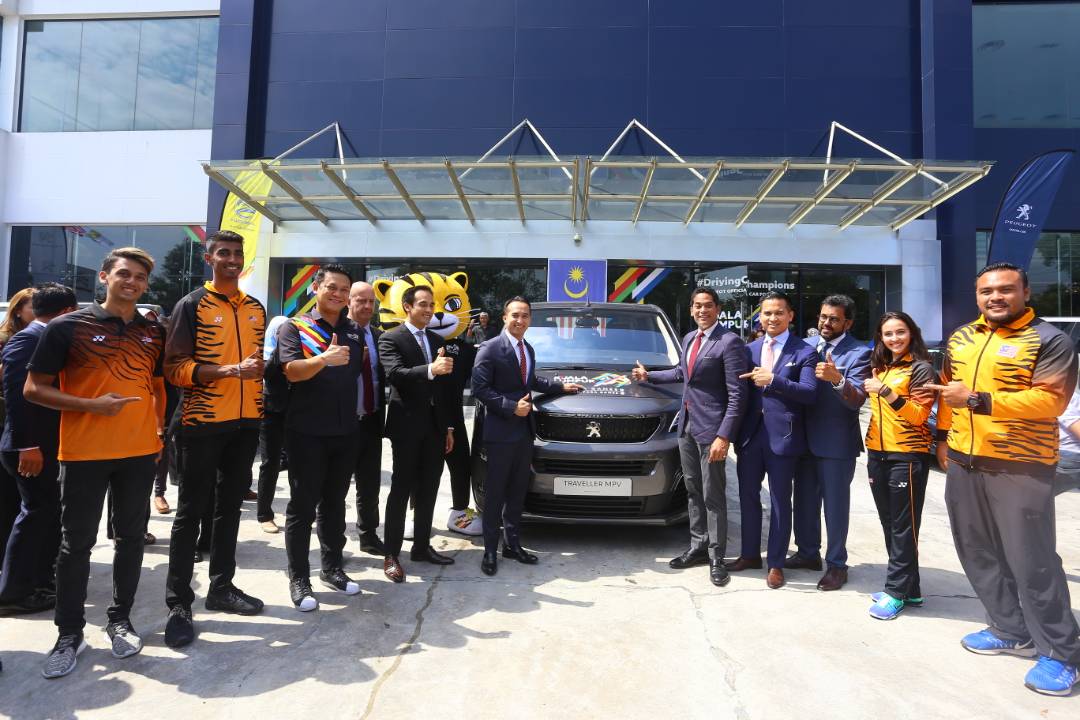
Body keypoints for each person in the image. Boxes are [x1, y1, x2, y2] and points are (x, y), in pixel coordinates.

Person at [927, 262, 1079, 696]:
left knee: (1032, 560)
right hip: (964, 461)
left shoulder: (1049, 340)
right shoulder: (962, 338)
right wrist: (944, 439)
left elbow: (1050, 401)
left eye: (1006, 289)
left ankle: (1062, 652)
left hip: (1021, 465)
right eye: (986, 291)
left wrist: (978, 400)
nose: (995, 297)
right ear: (977, 296)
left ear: (1025, 293)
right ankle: (1010, 628)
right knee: (977, 551)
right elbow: (947, 393)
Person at [24, 247, 166, 679]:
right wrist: (91, 405)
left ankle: (120, 620)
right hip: (84, 453)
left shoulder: (152, 331)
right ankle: (69, 634)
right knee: (76, 545)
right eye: (124, 273)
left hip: (138, 453)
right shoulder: (68, 327)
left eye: (140, 276)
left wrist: (157, 432)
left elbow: (157, 386)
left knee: (130, 540)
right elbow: (33, 389)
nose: (132, 282)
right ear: (104, 276)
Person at [162, 230, 267, 648]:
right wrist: (228, 371)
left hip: (246, 423)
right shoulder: (191, 305)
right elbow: (174, 368)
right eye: (224, 252)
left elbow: (257, 363)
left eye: (237, 253)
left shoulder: (255, 308)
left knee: (229, 510)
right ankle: (178, 603)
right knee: (190, 512)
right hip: (202, 422)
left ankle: (221, 587)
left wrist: (260, 375)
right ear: (209, 259)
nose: (232, 259)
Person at [632, 287, 747, 587]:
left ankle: (717, 557)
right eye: (697, 306)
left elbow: (738, 395)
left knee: (713, 495)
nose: (702, 310)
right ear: (691, 310)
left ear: (718, 309)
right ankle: (698, 546)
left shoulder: (729, 342)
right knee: (693, 490)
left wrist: (724, 436)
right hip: (686, 427)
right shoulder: (689, 338)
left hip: (712, 431)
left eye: (708, 305)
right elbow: (681, 373)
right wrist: (649, 376)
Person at [277, 264, 366, 610]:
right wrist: (324, 359)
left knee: (334, 504)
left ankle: (332, 568)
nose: (339, 294)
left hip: (345, 431)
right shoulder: (295, 327)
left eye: (344, 290)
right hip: (306, 432)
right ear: (315, 288)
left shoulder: (354, 331)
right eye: (332, 287)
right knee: (302, 508)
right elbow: (291, 372)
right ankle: (299, 578)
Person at [472, 297, 581, 576]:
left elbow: (530, 381)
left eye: (525, 316)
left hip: (523, 432)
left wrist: (560, 387)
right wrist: (511, 407)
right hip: (499, 434)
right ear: (504, 318)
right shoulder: (490, 348)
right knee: (495, 494)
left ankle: (512, 545)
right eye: (515, 315)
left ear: (530, 320)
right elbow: (480, 389)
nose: (520, 320)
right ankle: (490, 551)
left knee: (517, 492)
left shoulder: (527, 348)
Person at [726, 291, 817, 589]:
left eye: (779, 312)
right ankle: (750, 554)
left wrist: (774, 380)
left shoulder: (804, 351)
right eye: (767, 313)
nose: (772, 318)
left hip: (783, 438)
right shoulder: (748, 349)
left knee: (779, 501)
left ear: (790, 315)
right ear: (760, 317)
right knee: (748, 498)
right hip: (750, 436)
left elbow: (809, 393)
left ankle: (776, 563)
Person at [0, 283, 77, 614]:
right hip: (29, 448)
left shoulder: (45, 338)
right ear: (66, 312)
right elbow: (17, 398)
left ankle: (40, 582)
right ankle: (13, 594)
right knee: (34, 515)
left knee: (47, 515)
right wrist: (27, 446)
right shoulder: (27, 340)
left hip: (46, 445)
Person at [789, 295, 871, 591]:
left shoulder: (860, 353)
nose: (826, 323)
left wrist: (837, 379)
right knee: (804, 502)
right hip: (802, 439)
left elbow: (857, 400)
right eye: (823, 317)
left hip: (836, 443)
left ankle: (837, 564)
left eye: (834, 319)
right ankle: (808, 553)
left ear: (848, 323)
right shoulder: (804, 346)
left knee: (835, 507)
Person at [860, 311, 935, 620]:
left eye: (900, 332)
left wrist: (886, 392)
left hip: (907, 455)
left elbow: (919, 415)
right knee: (889, 523)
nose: (894, 338)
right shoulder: (882, 367)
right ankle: (910, 589)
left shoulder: (922, 368)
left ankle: (895, 592)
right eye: (888, 333)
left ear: (912, 333)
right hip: (878, 453)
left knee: (904, 527)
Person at [379, 284, 456, 583]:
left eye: (432, 304)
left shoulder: (437, 339)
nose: (429, 309)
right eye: (423, 304)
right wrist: (431, 369)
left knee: (429, 488)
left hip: (435, 428)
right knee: (401, 489)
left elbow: (444, 389)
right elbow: (395, 374)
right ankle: (391, 554)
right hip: (407, 427)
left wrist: (448, 427)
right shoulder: (391, 338)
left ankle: (422, 547)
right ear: (407, 307)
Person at [347, 282, 388, 554]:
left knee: (370, 484)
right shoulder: (336, 332)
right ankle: (333, 541)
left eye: (371, 302)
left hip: (372, 420)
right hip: (343, 421)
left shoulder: (379, 336)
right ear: (348, 301)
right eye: (360, 300)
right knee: (336, 486)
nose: (366, 306)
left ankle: (369, 534)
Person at [0, 288, 36, 556]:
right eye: (34, 306)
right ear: (18, 310)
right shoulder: (8, 340)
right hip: (7, 423)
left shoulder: (44, 338)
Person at [256, 314, 290, 533]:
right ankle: (264, 514)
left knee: (300, 462)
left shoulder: (296, 351)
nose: (284, 335)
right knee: (270, 463)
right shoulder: (265, 353)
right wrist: (279, 350)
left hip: (295, 412)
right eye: (280, 332)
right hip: (271, 413)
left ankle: (299, 510)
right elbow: (267, 375)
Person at [1053, 387, 1080, 494]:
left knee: (1036, 498)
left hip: (1068, 457)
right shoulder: (1074, 396)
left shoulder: (1062, 396)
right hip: (1070, 458)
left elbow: (1075, 426)